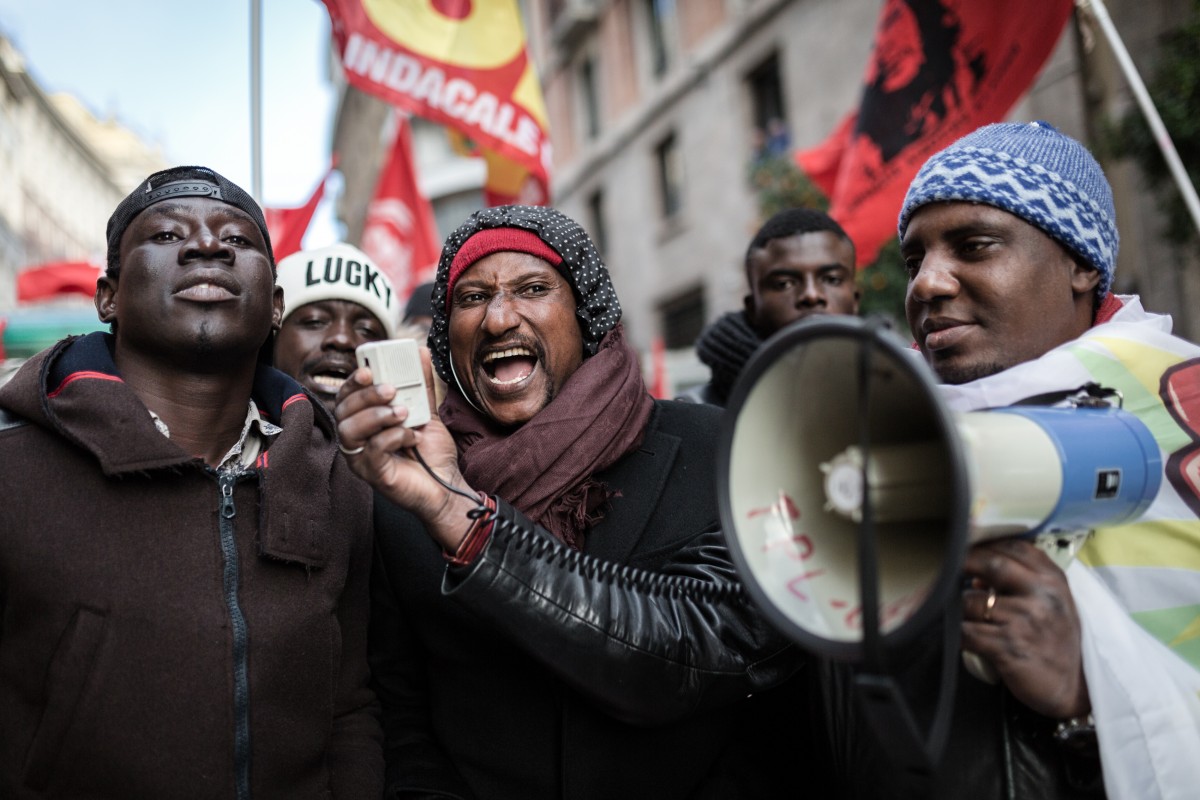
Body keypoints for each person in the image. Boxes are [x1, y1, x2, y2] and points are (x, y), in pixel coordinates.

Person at [334, 205, 802, 799]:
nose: (499, 319)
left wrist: (464, 518)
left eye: (532, 289)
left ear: (587, 317)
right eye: (471, 298)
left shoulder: (717, 449)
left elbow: (706, 657)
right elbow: (403, 718)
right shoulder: (407, 494)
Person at [817, 122, 1200, 798]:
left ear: (1081, 264)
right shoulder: (868, 432)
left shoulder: (1183, 407)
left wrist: (1091, 696)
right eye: (914, 261)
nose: (928, 284)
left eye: (974, 246)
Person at [0, 166, 383, 798]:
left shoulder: (339, 482)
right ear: (109, 297)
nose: (207, 247)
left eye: (237, 241)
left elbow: (349, 707)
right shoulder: (13, 467)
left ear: (276, 307)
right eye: (169, 234)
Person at [680, 207, 859, 405]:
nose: (811, 295)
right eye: (784, 284)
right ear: (752, 308)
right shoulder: (699, 411)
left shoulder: (896, 382)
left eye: (832, 279)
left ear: (855, 300)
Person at [273, 242, 400, 411]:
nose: (342, 339)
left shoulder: (424, 435)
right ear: (272, 337)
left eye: (367, 330)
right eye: (315, 321)